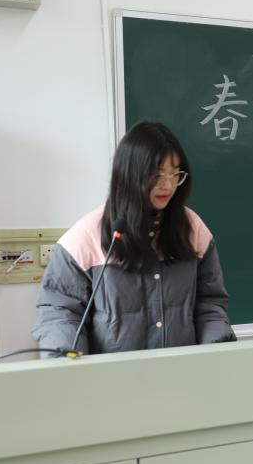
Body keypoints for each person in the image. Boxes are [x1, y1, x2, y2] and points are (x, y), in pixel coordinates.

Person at [32, 121, 235, 356]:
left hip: (181, 371)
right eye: (157, 174)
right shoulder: (85, 236)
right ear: (130, 174)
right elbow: (59, 311)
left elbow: (209, 303)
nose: (168, 185)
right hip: (113, 375)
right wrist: (67, 361)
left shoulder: (192, 228)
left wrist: (217, 353)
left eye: (175, 173)